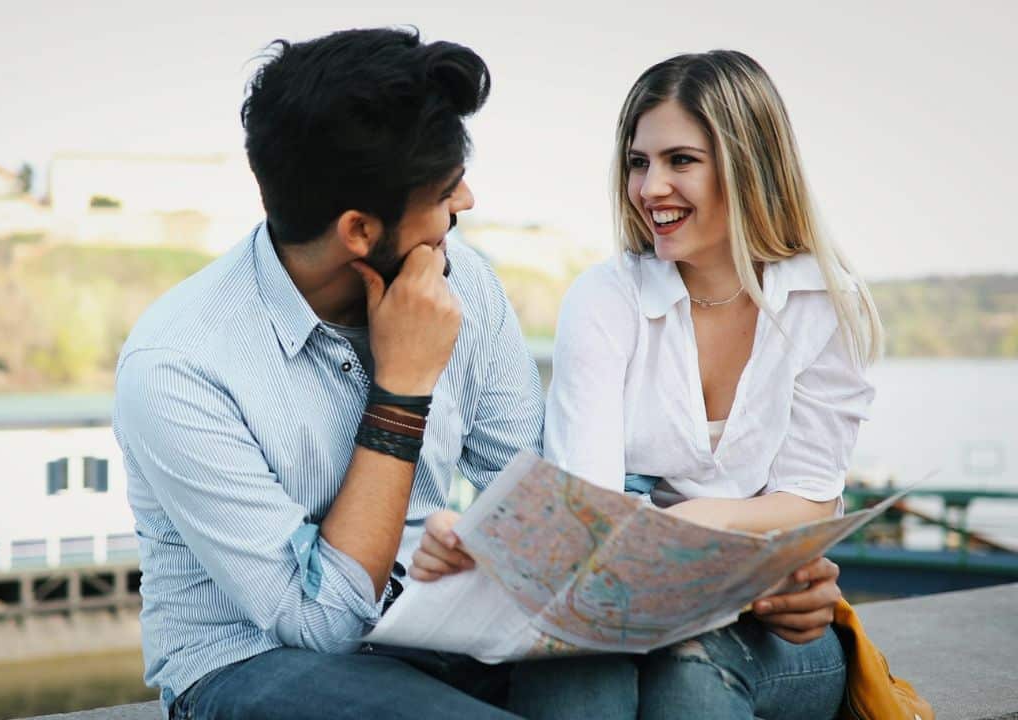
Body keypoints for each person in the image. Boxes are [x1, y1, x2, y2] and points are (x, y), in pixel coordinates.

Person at [116, 31, 846, 720]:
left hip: (438, 630)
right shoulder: (180, 368)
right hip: (258, 662)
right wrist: (401, 391)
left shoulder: (464, 282)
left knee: (591, 681)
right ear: (359, 231)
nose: (466, 204)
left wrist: (749, 571)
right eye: (446, 193)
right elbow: (317, 621)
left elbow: (550, 501)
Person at [417, 50, 882, 719]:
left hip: (771, 620)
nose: (650, 187)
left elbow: (810, 501)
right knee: (575, 678)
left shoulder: (823, 304)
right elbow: (589, 504)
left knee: (690, 677)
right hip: (628, 602)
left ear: (749, 165)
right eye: (639, 163)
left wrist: (696, 523)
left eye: (680, 161)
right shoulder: (605, 300)